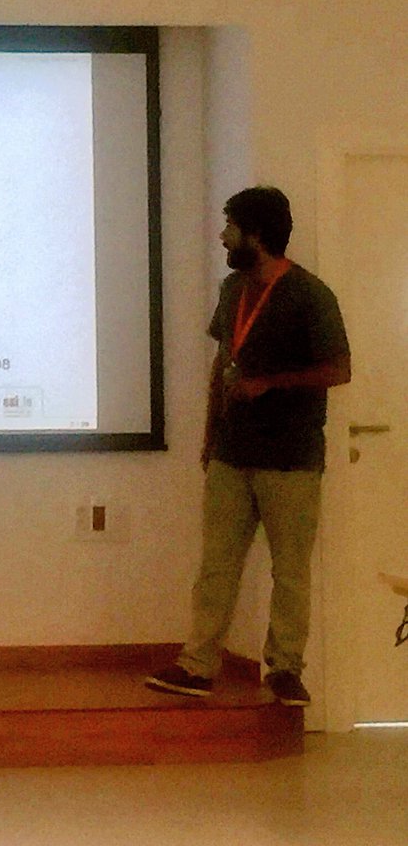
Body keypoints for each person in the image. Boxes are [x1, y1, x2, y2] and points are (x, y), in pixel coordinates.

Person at [146, 186, 350, 707]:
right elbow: (223, 362)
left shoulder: (311, 295)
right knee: (215, 566)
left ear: (255, 234)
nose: (222, 236)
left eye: (230, 227)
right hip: (231, 454)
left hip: (292, 460)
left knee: (290, 572)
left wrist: (271, 384)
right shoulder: (233, 288)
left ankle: (284, 670)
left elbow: (339, 369)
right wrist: (209, 435)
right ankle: (197, 666)